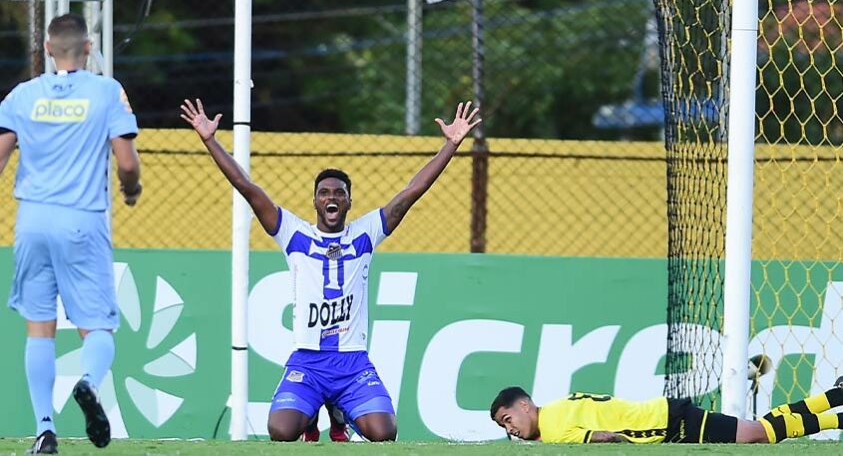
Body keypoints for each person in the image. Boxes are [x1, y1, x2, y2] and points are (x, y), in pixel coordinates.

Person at [180, 98, 480, 442]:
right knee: (280, 430)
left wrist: (450, 145)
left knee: (384, 433)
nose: (331, 197)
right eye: (324, 192)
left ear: (349, 201)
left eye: (339, 192)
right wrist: (209, 140)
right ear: (315, 201)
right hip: (308, 362)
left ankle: (339, 415)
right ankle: (312, 419)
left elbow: (412, 191)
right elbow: (247, 188)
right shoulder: (292, 233)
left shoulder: (366, 233)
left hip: (352, 364)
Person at [0, 14, 142, 454]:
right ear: (89, 46)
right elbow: (127, 161)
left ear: (45, 47)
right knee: (97, 325)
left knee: (38, 328)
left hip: (32, 221)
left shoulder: (21, 96)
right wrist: (131, 189)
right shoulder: (107, 92)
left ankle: (44, 430)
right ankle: (87, 383)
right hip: (82, 218)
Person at [491, 379, 843, 444]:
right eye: (504, 426)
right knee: (760, 429)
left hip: (668, 424)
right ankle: (834, 397)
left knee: (760, 434)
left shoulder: (552, 433)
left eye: (508, 419)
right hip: (664, 415)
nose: (511, 429)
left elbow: (607, 439)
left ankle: (837, 415)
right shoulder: (557, 407)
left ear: (524, 404)